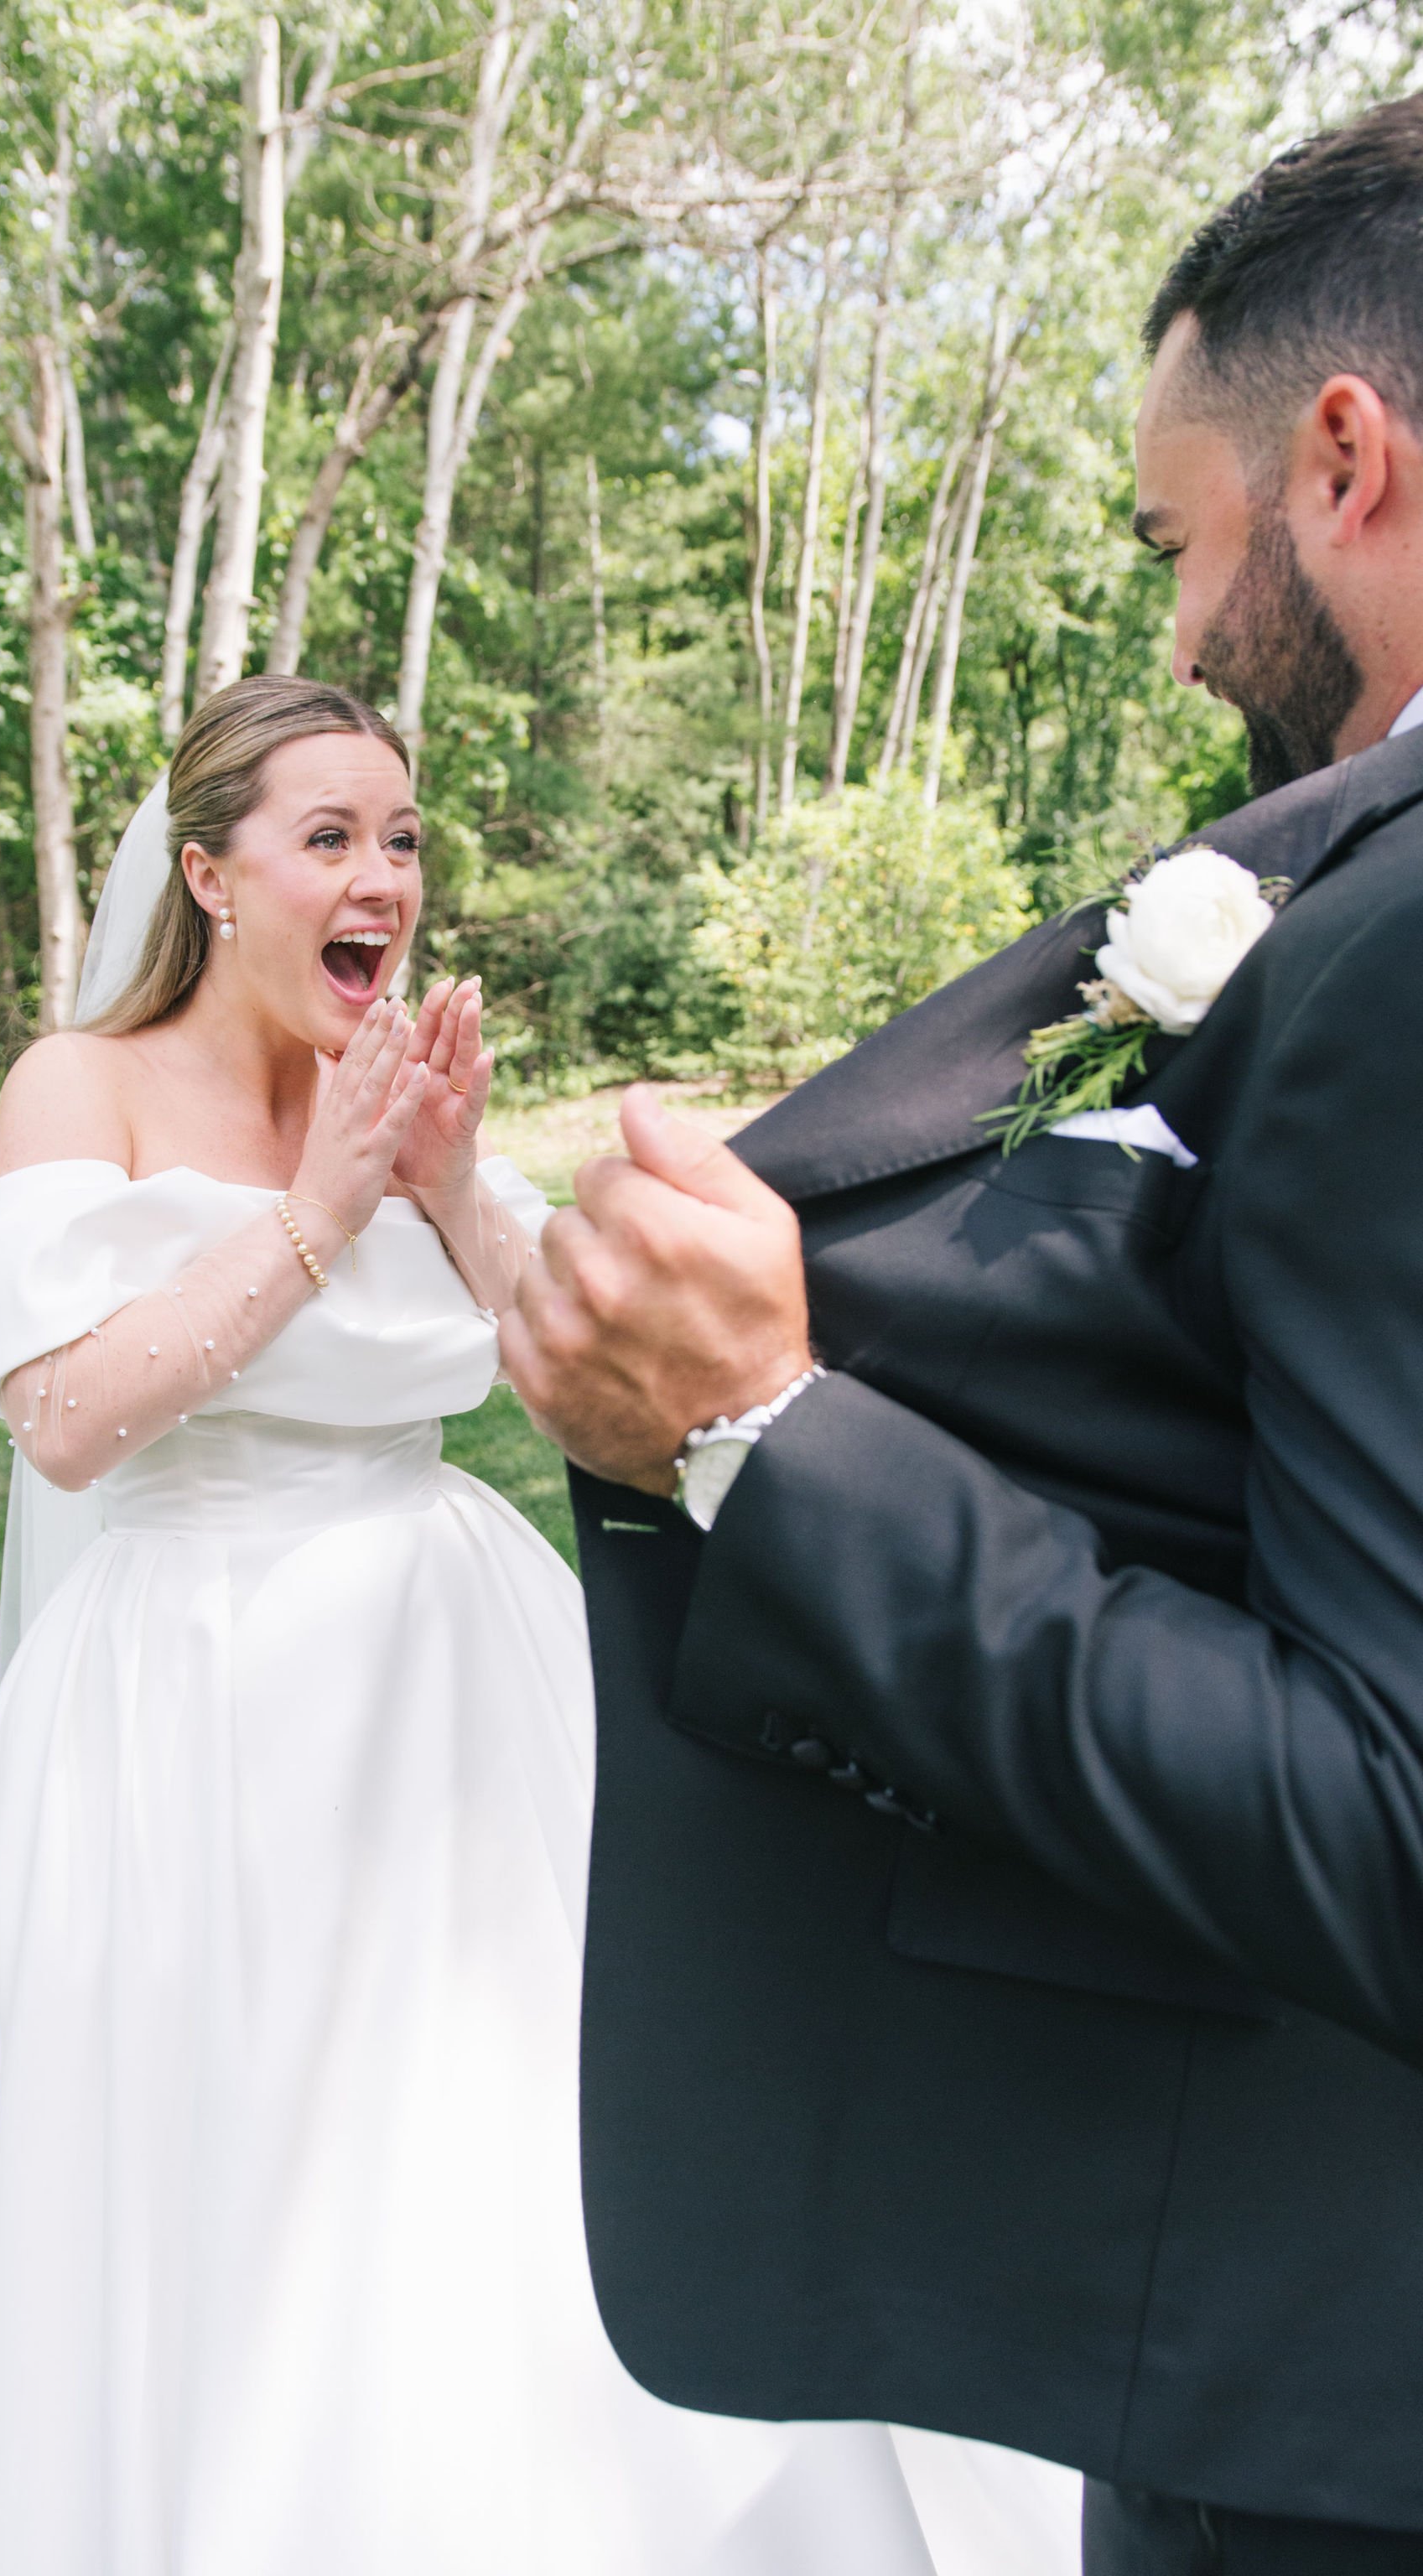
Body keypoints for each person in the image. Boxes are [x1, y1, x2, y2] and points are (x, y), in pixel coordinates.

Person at [0, 674, 1068, 2576]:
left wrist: (440, 1177)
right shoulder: (82, 1083)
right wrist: (319, 1209)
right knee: (237, 2171)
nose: (381, 876)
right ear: (211, 874)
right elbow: (69, 1419)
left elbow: (564, 1348)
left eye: (399, 838)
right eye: (327, 836)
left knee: (507, 2137)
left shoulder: (389, 1083)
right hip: (197, 1694)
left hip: (451, 1672)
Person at [503, 94, 1423, 2576]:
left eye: (1175, 543)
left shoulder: (1394, 946)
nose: (1170, 632)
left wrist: (764, 1432)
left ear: (1346, 456)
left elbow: (1391, 1830)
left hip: (1345, 2419)